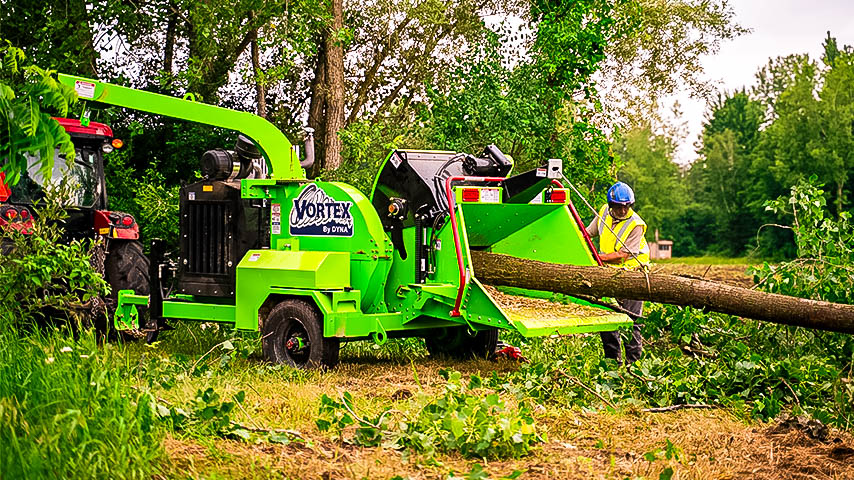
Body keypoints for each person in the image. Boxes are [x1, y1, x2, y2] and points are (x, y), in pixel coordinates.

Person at [585, 181, 650, 364]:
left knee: (632, 322)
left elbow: (623, 255)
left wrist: (598, 258)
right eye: (619, 207)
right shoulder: (604, 211)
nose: (623, 211)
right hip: (609, 274)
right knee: (606, 318)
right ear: (611, 205)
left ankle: (633, 366)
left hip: (633, 275)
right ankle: (612, 363)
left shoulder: (636, 224)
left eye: (626, 207)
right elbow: (589, 232)